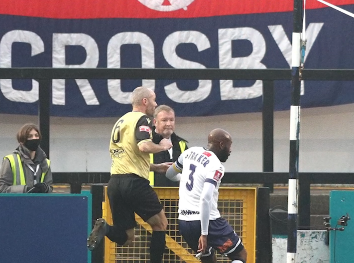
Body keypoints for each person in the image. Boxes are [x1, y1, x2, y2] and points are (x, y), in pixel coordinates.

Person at [87, 86, 174, 263]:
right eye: (154, 100)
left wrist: (156, 167)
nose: (155, 104)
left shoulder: (122, 120)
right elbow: (143, 146)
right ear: (145, 101)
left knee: (127, 237)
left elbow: (130, 156)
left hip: (115, 183)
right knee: (161, 224)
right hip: (134, 184)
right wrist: (163, 146)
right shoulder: (142, 119)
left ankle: (106, 229)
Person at [166, 129, 247, 263]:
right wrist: (204, 233)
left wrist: (184, 178)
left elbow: (169, 174)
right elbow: (205, 198)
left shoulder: (189, 152)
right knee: (240, 255)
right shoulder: (216, 166)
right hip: (209, 222)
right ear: (221, 145)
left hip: (185, 222)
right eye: (229, 146)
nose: (230, 150)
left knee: (208, 260)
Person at [0, 123, 53, 193]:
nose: (34, 138)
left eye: (36, 135)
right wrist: (25, 190)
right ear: (22, 141)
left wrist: (46, 188)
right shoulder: (10, 160)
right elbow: (1, 188)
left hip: (38, 203)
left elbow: (50, 187)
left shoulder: (45, 162)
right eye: (30, 136)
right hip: (18, 202)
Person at [151, 105, 189, 187]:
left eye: (171, 120)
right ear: (155, 122)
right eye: (164, 120)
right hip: (150, 193)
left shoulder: (181, 144)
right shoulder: (146, 143)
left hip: (176, 196)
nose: (168, 124)